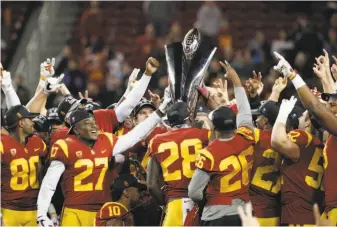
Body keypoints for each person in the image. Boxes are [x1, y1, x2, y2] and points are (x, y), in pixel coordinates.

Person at [36, 92, 171, 226]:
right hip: (74, 211)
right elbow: (49, 183)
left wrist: (158, 114)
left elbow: (135, 136)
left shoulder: (105, 140)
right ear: (76, 129)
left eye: (94, 122)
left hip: (102, 211)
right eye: (87, 123)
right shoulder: (64, 146)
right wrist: (41, 213)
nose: (94, 126)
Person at [273, 51, 337, 224]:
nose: (329, 105)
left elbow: (317, 108)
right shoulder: (329, 133)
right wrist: (328, 79)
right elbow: (328, 105)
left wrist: (293, 75)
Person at [188, 61, 255, 226]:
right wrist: (236, 81)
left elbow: (194, 192)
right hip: (244, 214)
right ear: (234, 124)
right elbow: (245, 110)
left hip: (217, 214)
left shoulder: (209, 153)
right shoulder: (246, 137)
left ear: (214, 128)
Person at [50, 57, 160, 145]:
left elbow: (128, 105)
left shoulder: (99, 117)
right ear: (69, 121)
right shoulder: (61, 136)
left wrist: (146, 75)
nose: (82, 109)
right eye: (77, 109)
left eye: (81, 106)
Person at [147, 101, 210, 226]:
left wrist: (166, 201)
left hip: (175, 203)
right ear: (189, 118)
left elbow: (152, 186)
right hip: (204, 203)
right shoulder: (204, 135)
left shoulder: (156, 141)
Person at [271, 96, 324, 225]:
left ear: (307, 123)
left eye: (301, 116)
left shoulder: (301, 136)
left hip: (296, 215)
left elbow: (277, 141)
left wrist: (282, 114)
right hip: (313, 214)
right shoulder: (321, 144)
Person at [0, 105, 57, 226]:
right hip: (9, 210)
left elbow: (47, 171)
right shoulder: (2, 145)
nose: (33, 123)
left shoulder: (37, 142)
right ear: (21, 122)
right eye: (29, 119)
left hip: (33, 209)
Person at [250, 101, 282, 226]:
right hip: (276, 211)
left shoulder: (256, 136)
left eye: (259, 116)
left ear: (265, 121)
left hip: (255, 210)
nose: (256, 119)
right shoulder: (287, 140)